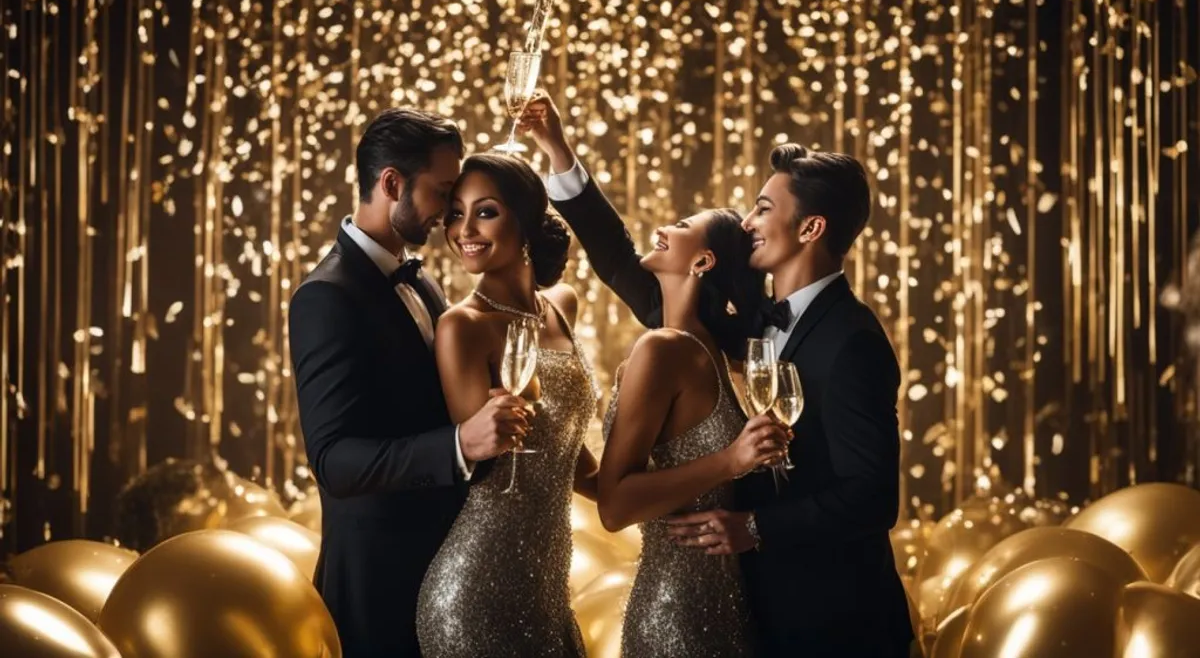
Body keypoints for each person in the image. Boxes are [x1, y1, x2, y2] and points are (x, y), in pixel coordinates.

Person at [521, 93, 915, 657]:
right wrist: (559, 150)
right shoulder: (726, 334)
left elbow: (874, 498)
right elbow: (618, 262)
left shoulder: (852, 339)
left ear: (811, 229)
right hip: (754, 614)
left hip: (840, 620)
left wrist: (755, 527)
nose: (747, 222)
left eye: (762, 209)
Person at [289, 110, 528, 658]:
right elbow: (335, 460)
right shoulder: (326, 296)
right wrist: (459, 444)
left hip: (445, 577)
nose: (450, 212)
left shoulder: (419, 280)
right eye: (443, 192)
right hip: (378, 588)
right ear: (392, 184)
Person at [415, 153, 600, 657]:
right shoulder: (462, 326)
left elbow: (569, 458)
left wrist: (653, 492)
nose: (464, 229)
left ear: (525, 219)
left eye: (485, 211)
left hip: (547, 587)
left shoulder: (562, 304)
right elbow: (484, 460)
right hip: (476, 590)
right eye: (455, 213)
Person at [594, 202, 790, 657]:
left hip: (675, 612)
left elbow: (614, 508)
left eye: (680, 225)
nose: (662, 227)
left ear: (702, 262)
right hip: (723, 604)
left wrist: (730, 462)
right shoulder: (719, 356)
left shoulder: (663, 348)